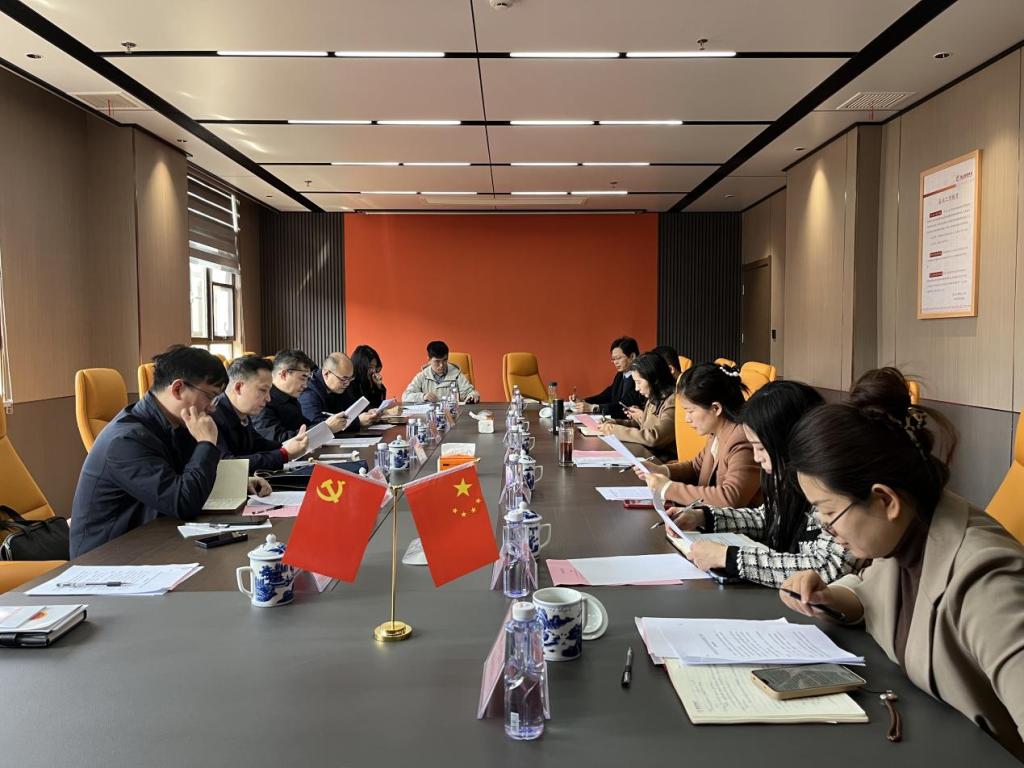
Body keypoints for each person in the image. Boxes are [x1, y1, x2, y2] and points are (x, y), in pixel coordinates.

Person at [779, 367, 1024, 760]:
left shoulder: (985, 579)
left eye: (829, 513)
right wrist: (829, 597)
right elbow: (872, 591)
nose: (827, 530)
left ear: (885, 500)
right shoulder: (908, 532)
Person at [69, 345, 270, 558]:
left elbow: (185, 476)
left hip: (153, 538)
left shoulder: (173, 424)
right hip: (107, 557)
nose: (213, 407)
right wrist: (206, 443)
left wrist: (234, 481)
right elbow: (183, 502)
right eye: (210, 396)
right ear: (177, 389)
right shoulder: (126, 440)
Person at [671, 380, 859, 587]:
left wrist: (730, 558)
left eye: (760, 448)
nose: (756, 457)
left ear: (789, 442)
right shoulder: (788, 480)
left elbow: (828, 567)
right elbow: (768, 518)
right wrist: (703, 516)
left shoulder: (832, 486)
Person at [639, 362, 761, 509]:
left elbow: (730, 498)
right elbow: (696, 467)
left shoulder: (742, 438)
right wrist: (663, 471)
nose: (687, 419)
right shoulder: (717, 431)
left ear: (716, 408)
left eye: (690, 411)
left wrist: (667, 488)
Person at [212, 355, 309, 472]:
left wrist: (292, 445)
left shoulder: (241, 412)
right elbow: (228, 465)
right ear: (238, 387)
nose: (268, 398)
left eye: (269, 391)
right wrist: (284, 454)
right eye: (263, 390)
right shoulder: (214, 415)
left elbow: (258, 445)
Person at [597, 352, 677, 461]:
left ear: (654, 379)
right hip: (649, 455)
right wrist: (616, 422)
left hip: (662, 461)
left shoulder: (672, 402)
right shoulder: (654, 397)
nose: (636, 388)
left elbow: (654, 437)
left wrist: (614, 430)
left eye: (638, 382)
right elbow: (643, 425)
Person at [299, 352, 380, 434]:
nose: (347, 383)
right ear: (326, 374)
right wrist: (357, 422)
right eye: (343, 379)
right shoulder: (308, 393)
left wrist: (369, 414)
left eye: (350, 378)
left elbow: (351, 409)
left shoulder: (340, 387)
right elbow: (316, 426)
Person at [253, 348, 317, 443]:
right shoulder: (263, 401)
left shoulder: (290, 398)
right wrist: (326, 428)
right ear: (283, 374)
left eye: (307, 379)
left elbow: (304, 426)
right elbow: (276, 440)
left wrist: (325, 427)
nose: (305, 385)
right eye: (303, 378)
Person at [574, 336, 645, 419]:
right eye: (613, 359)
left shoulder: (641, 378)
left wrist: (594, 408)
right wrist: (584, 401)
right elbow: (607, 395)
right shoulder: (620, 375)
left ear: (632, 356)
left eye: (618, 358)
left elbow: (624, 405)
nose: (615, 362)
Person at [403, 340, 480, 403]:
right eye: (437, 361)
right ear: (429, 360)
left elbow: (470, 393)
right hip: (430, 415)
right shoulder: (422, 376)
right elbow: (405, 396)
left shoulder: (457, 374)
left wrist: (472, 396)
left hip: (452, 414)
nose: (441, 365)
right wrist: (423, 396)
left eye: (444, 360)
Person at [351, 344, 388, 409]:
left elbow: (379, 405)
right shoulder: (350, 384)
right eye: (370, 367)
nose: (374, 370)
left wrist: (378, 386)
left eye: (375, 367)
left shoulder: (371, 380)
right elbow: (362, 409)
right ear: (360, 366)